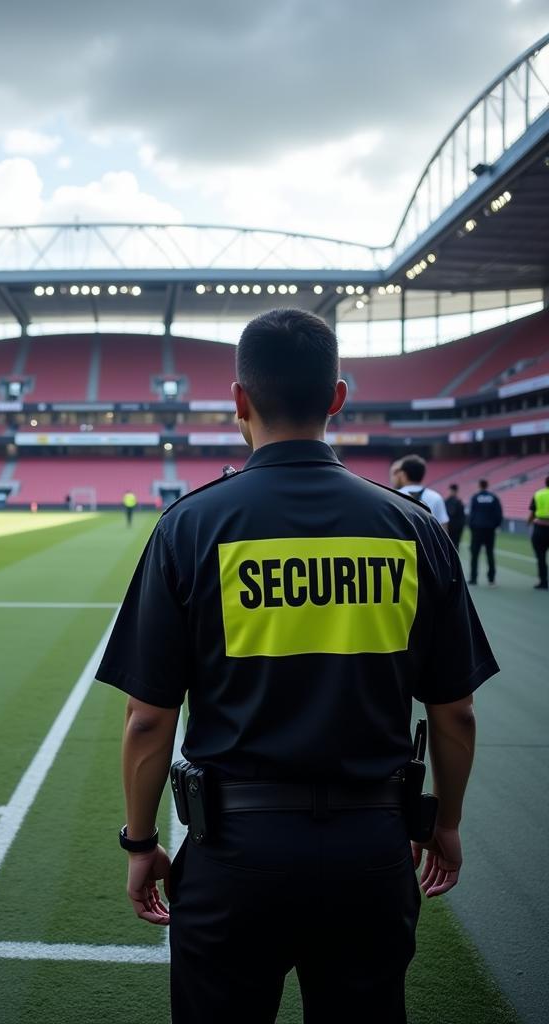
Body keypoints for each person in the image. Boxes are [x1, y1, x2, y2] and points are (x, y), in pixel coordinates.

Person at [97, 309, 497, 1024]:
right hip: (371, 851)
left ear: (239, 401)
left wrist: (142, 842)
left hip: (233, 856)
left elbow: (149, 718)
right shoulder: (413, 529)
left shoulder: (190, 526)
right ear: (337, 397)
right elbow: (455, 711)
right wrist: (447, 823)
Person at [390, 454, 450, 531]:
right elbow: (444, 529)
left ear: (403, 474)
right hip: (428, 543)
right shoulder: (436, 497)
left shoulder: (393, 496)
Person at [468, 480, 504, 587]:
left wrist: (472, 526)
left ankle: (473, 578)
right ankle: (491, 579)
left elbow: (471, 514)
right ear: (487, 485)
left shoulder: (475, 497)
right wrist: (496, 526)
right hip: (490, 530)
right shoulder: (494, 497)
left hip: (477, 529)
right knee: (490, 554)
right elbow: (499, 513)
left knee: (474, 554)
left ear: (479, 486)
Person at [529, 474, 549, 590]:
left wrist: (528, 523)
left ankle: (543, 582)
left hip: (540, 528)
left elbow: (532, 512)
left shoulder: (539, 494)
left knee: (541, 557)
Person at [445, 483, 466, 552]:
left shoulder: (447, 501)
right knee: (455, 547)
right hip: (456, 529)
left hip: (450, 528)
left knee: (448, 547)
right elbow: (462, 518)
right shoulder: (459, 502)